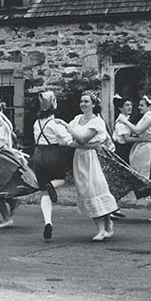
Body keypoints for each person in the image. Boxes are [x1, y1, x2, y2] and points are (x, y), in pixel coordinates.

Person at [0, 99, 38, 228]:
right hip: (6, 155)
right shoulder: (6, 126)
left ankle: (6, 218)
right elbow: (13, 138)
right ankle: (12, 202)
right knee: (3, 186)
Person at [65, 91, 117, 241]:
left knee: (96, 190)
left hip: (93, 159)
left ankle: (104, 227)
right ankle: (103, 227)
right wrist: (88, 144)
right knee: (86, 191)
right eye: (81, 101)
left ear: (94, 104)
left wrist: (75, 138)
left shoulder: (97, 122)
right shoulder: (76, 119)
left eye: (86, 101)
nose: (83, 104)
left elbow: (81, 139)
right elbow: (69, 141)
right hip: (80, 158)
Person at [29, 91, 74, 240]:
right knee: (61, 179)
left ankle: (48, 222)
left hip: (38, 154)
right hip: (53, 153)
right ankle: (52, 185)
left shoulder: (37, 123)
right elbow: (68, 140)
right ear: (53, 104)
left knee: (43, 192)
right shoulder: (55, 124)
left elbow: (37, 138)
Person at [112, 96, 135, 162]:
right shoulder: (121, 122)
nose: (130, 107)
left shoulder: (126, 119)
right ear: (120, 108)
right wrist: (143, 139)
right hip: (123, 150)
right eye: (127, 105)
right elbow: (127, 139)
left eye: (131, 105)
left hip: (126, 148)